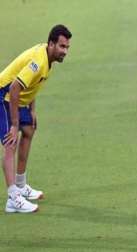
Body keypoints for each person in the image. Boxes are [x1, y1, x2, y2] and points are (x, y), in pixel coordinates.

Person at [0, 24, 72, 213]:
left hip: (17, 98)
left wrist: (32, 110)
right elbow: (15, 88)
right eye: (62, 47)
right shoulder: (38, 62)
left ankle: (21, 185)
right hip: (3, 96)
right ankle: (13, 198)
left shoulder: (48, 59)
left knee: (29, 129)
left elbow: (31, 86)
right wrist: (15, 124)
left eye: (67, 47)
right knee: (10, 141)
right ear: (51, 44)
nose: (65, 51)